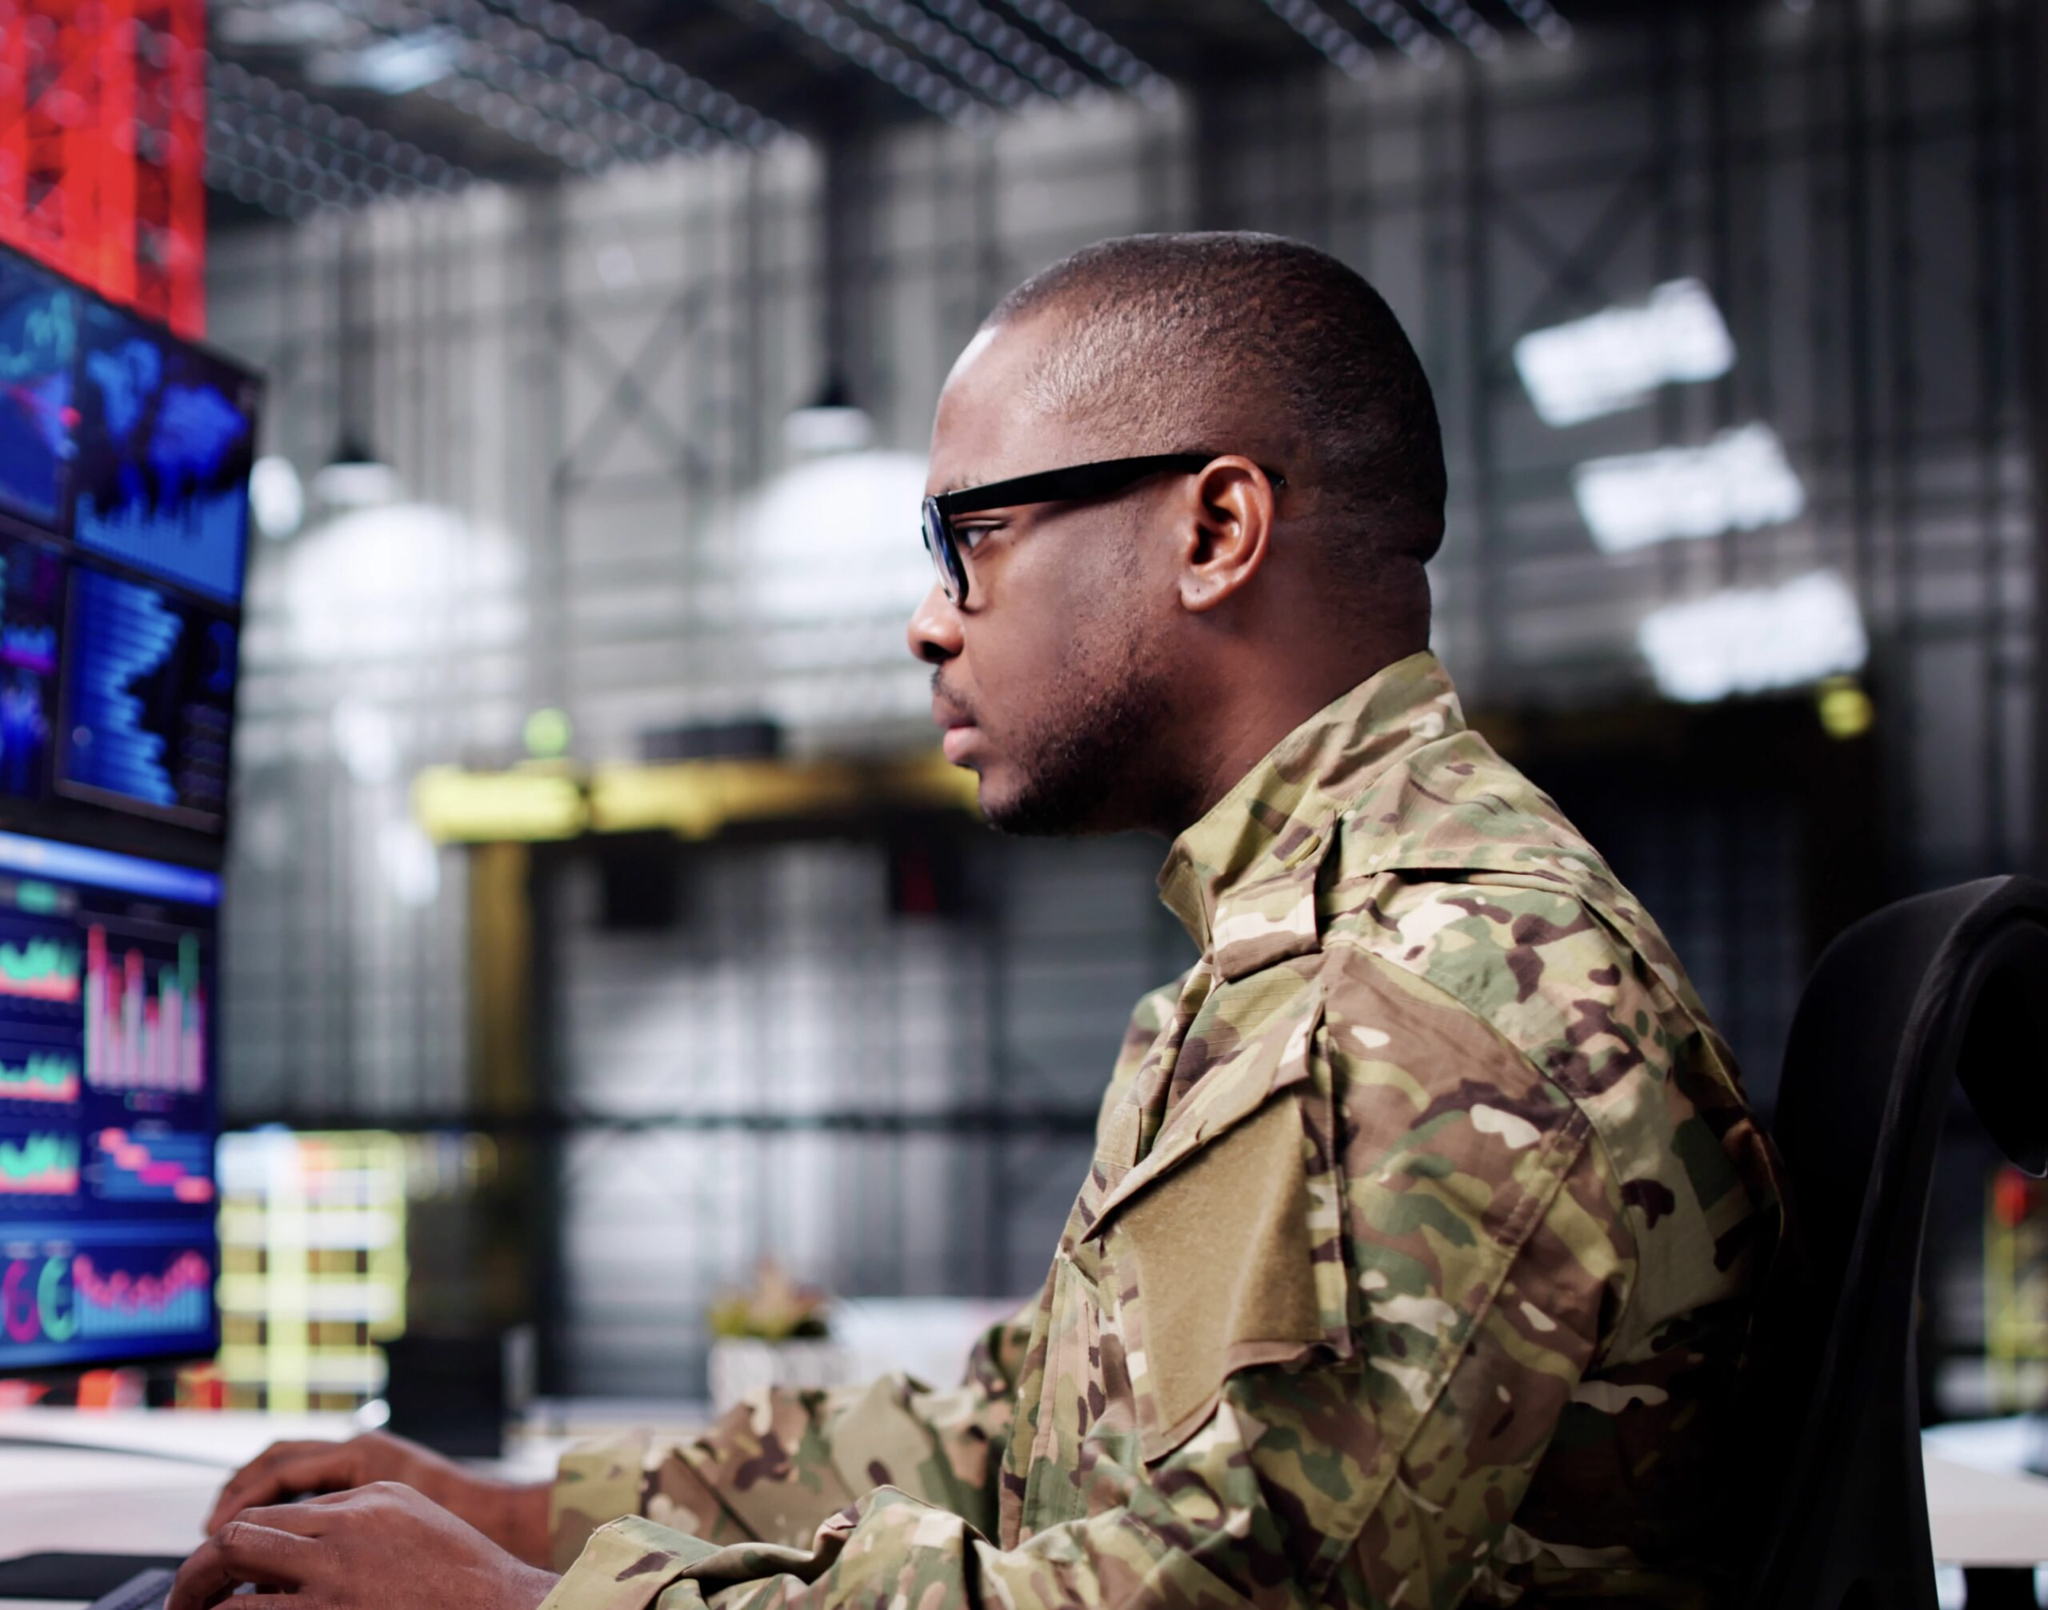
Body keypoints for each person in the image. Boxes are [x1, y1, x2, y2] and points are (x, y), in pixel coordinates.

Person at [174, 233, 1782, 1610]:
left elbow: (1203, 1590)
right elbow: (1020, 1436)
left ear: (1215, 530)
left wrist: (537, 1605)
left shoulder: (1433, 985)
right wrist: (519, 1512)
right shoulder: (1305, 952)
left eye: (975, 535)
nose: (928, 616)